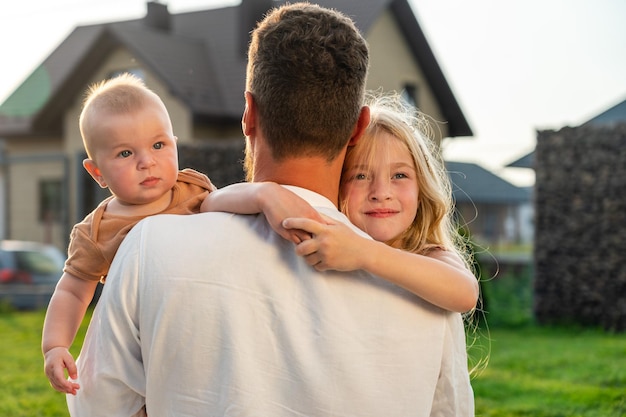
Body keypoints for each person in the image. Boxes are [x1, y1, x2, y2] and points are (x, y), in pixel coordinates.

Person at [67, 3, 475, 416]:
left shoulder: (147, 247)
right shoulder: (427, 288)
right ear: (357, 126)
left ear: (249, 113)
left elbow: (97, 405)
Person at [202, 91, 479, 314]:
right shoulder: (325, 228)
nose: (381, 192)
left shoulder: (427, 254)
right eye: (360, 175)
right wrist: (265, 194)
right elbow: (211, 202)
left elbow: (465, 294)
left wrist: (364, 252)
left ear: (422, 188)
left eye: (399, 175)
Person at [42, 73, 215, 395]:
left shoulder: (194, 189)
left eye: (158, 145)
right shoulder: (97, 232)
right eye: (125, 153)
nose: (146, 161)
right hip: (140, 343)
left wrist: (263, 197)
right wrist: (55, 345)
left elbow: (230, 216)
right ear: (97, 173)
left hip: (205, 325)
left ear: (175, 145)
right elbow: (72, 291)